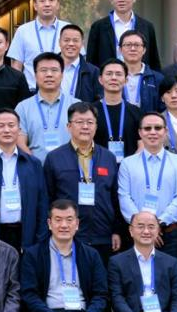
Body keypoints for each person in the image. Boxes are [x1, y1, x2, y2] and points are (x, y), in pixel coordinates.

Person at [43, 102, 123, 267]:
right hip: (68, 235)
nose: (85, 127)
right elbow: (47, 198)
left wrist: (116, 230)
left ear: (96, 126)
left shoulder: (108, 157)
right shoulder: (54, 158)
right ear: (69, 126)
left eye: (90, 122)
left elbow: (115, 197)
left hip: (103, 235)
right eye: (79, 122)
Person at [0, 109, 49, 251]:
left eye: (11, 125)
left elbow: (42, 203)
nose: (6, 130)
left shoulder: (33, 164)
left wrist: (40, 239)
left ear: (19, 130)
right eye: (1, 126)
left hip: (26, 235)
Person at [117, 112, 177, 260]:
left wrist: (157, 225)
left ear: (166, 131)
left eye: (158, 128)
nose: (152, 132)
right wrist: (144, 227)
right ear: (140, 132)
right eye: (147, 128)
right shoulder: (127, 164)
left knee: (168, 274)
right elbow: (124, 197)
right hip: (136, 235)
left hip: (168, 234)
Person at [86, 0, 160, 70]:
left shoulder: (147, 27)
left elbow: (154, 61)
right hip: (109, 78)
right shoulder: (98, 27)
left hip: (139, 77)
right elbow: (91, 64)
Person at [14, 52, 79, 160]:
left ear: (62, 75)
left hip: (70, 167)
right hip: (35, 167)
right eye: (43, 70)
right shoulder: (23, 107)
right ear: (35, 76)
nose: (49, 74)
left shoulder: (77, 105)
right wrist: (34, 164)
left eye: (54, 70)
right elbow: (20, 142)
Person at [10, 0, 70, 89]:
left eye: (51, 0)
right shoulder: (23, 31)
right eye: (42, 0)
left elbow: (78, 62)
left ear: (58, 5)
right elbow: (16, 66)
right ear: (35, 5)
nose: (47, 4)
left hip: (63, 91)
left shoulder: (68, 29)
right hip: (31, 91)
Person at [93, 59, 143, 161]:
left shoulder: (136, 112)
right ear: (100, 80)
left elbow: (142, 144)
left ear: (126, 80)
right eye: (109, 74)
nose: (114, 78)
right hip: (98, 167)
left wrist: (128, 165)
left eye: (118, 74)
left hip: (129, 168)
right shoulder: (91, 112)